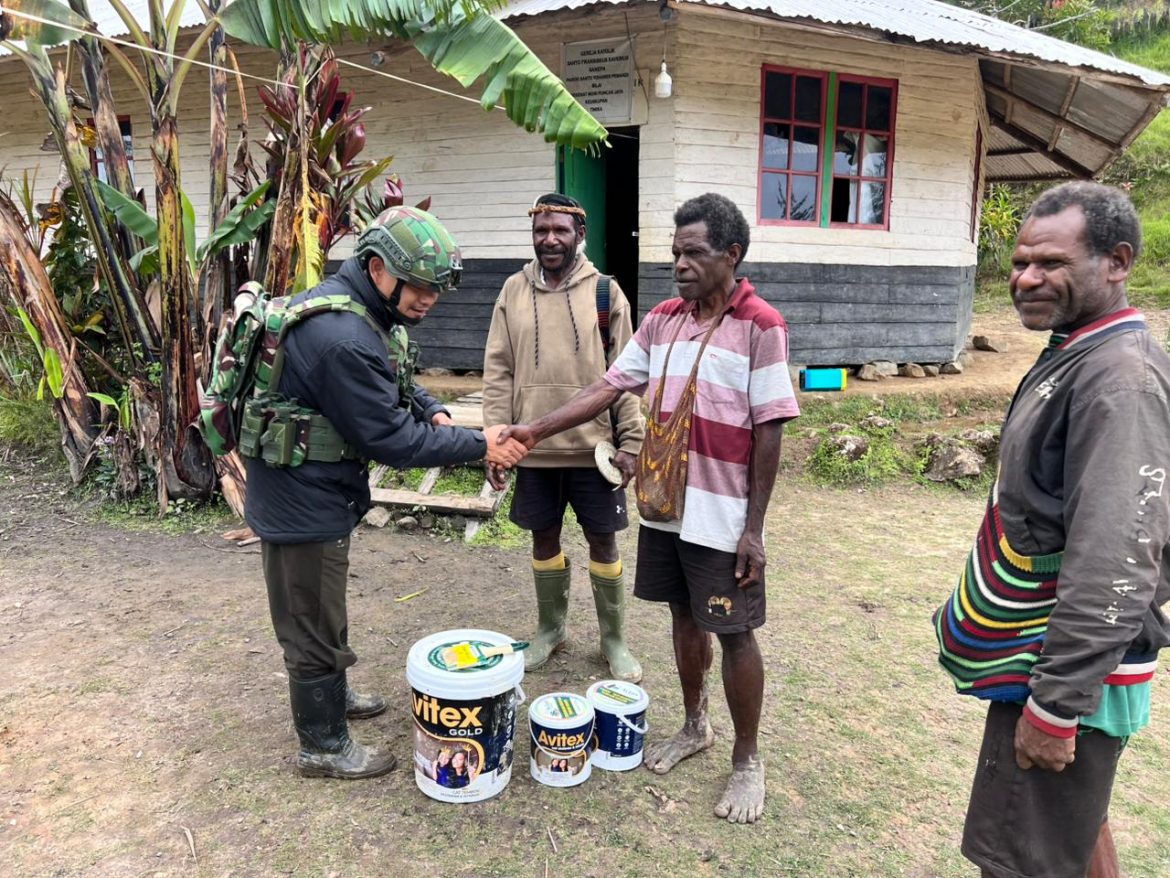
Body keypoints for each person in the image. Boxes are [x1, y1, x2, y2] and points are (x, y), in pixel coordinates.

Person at [502, 193, 800, 823]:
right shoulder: (663, 319)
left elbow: (771, 427)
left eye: (694, 253)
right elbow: (607, 387)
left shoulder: (761, 325)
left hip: (723, 515)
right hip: (668, 507)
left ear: (732, 255)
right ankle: (696, 725)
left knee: (735, 632)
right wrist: (534, 430)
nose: (680, 265)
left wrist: (755, 529)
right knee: (682, 616)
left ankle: (747, 759)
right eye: (675, 253)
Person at [934, 182, 1170, 878]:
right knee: (1070, 829)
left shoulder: (1118, 381)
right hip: (1056, 661)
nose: (1026, 278)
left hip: (1070, 672)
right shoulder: (1081, 348)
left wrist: (1058, 705)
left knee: (1023, 857)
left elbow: (1116, 559)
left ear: (1117, 262)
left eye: (1051, 263)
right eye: (1018, 261)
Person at [245, 206, 526, 780]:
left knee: (323, 609)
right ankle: (322, 746)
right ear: (377, 268)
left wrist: (438, 411)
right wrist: (480, 445)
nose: (428, 301)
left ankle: (333, 697)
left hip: (319, 488)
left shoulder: (368, 316)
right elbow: (392, 439)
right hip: (300, 498)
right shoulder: (342, 337)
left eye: (436, 290)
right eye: (420, 288)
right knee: (310, 621)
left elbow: (396, 385)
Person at [482, 193, 645, 681]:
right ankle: (550, 630)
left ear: (580, 235)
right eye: (541, 230)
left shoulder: (606, 293)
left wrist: (631, 442)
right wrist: (495, 441)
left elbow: (627, 374)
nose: (549, 239)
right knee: (543, 538)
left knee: (604, 540)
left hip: (595, 452)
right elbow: (497, 371)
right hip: (531, 451)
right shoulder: (512, 290)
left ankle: (613, 640)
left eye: (560, 230)